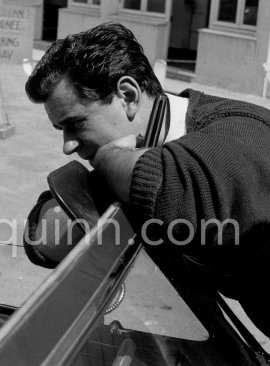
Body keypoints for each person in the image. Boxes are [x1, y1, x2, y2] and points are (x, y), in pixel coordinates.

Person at [24, 22, 270, 337]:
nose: (68, 145)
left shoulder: (236, 139)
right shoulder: (154, 144)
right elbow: (40, 238)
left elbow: (165, 182)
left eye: (76, 124)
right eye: (62, 130)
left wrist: (110, 161)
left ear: (127, 96)